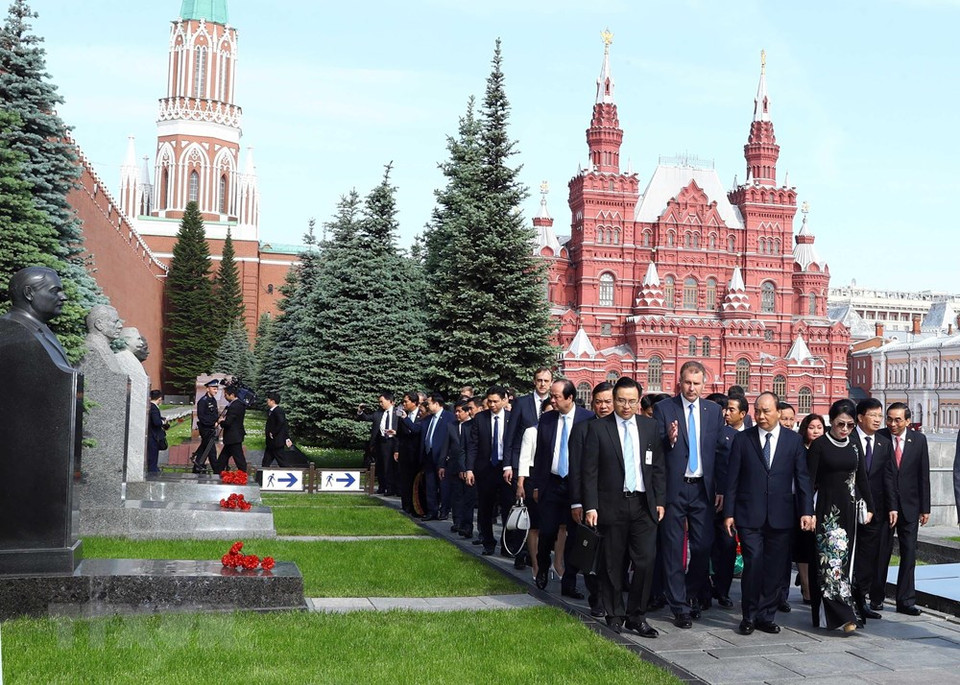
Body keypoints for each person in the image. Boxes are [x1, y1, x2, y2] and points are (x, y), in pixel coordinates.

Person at [724, 392, 814, 635]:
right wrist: (729, 513)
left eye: (766, 411)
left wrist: (807, 510)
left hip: (781, 515)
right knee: (753, 563)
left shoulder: (792, 441)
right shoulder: (743, 440)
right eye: (758, 411)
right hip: (749, 514)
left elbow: (802, 478)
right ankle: (749, 615)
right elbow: (732, 479)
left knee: (774, 568)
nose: (761, 416)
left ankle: (766, 615)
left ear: (777, 411)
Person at [582, 376, 665, 637]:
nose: (626, 406)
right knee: (612, 563)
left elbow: (659, 468)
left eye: (631, 401)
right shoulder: (598, 429)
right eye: (621, 400)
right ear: (614, 399)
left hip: (643, 505)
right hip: (611, 505)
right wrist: (591, 506)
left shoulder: (650, 427)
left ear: (638, 401)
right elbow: (589, 471)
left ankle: (636, 616)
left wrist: (660, 500)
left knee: (646, 561)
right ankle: (614, 614)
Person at [653, 360, 727, 628]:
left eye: (696, 383)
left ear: (704, 384)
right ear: (679, 382)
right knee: (673, 549)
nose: (692, 388)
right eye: (687, 382)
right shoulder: (664, 408)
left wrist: (720, 488)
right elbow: (655, 449)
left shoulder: (713, 411)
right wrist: (668, 439)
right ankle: (679, 606)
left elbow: (720, 452)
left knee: (703, 546)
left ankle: (690, 592)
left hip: (702, 490)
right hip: (674, 488)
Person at [808, 399, 874, 632]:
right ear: (831, 421)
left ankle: (836, 615)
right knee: (829, 564)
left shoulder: (854, 446)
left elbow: (862, 479)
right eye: (839, 424)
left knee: (845, 564)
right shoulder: (820, 446)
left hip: (848, 510)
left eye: (849, 425)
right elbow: (809, 480)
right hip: (826, 512)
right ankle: (843, 616)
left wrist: (870, 506)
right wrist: (808, 511)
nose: (844, 429)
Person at [530, 379, 594, 596]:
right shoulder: (547, 419)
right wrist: (538, 485)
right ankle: (542, 566)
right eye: (552, 396)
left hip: (576, 487)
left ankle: (569, 583)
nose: (552, 400)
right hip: (552, 483)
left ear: (570, 398)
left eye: (557, 396)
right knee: (547, 531)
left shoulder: (587, 419)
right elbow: (541, 456)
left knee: (574, 536)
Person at [877, 402, 930, 615]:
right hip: (884, 506)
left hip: (910, 505)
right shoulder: (879, 437)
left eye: (898, 419)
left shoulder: (918, 440)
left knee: (909, 554)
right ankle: (876, 598)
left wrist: (925, 508)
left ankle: (906, 601)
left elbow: (923, 475)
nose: (892, 423)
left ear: (908, 421)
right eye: (889, 418)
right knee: (882, 553)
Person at [569, 381, 614, 616]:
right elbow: (575, 468)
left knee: (614, 554)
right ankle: (596, 598)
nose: (604, 406)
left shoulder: (623, 428)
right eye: (599, 402)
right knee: (592, 551)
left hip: (618, 503)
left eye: (608, 401)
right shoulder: (582, 429)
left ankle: (611, 598)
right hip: (590, 503)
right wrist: (577, 502)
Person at [852, 398, 898, 620]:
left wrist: (892, 507)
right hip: (850, 508)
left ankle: (861, 600)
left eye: (880, 415)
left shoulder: (883, 443)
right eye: (873, 415)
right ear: (860, 417)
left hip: (876, 510)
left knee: (868, 558)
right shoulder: (848, 440)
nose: (879, 419)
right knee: (850, 556)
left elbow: (889, 477)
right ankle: (847, 600)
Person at [466, 386, 513, 556]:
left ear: (504, 400)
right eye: (489, 401)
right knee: (485, 508)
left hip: (506, 469)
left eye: (495, 401)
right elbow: (473, 445)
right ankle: (488, 542)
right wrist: (469, 469)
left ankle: (507, 544)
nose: (492, 405)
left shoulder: (511, 418)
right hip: (485, 469)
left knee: (508, 507)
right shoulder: (480, 418)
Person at [516, 397, 554, 576]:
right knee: (535, 524)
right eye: (547, 410)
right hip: (533, 478)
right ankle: (535, 563)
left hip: (553, 479)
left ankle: (555, 561)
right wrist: (521, 483)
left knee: (556, 525)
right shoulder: (531, 431)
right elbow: (524, 458)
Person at [794, 413, 826, 605]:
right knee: (804, 547)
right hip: (803, 503)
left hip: (823, 502)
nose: (816, 431)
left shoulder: (828, 449)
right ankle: (806, 587)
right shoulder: (799, 449)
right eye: (812, 427)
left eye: (819, 427)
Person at [419, 393, 461, 521]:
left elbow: (452, 438)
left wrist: (447, 455)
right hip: (429, 455)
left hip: (443, 457)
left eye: (429, 403)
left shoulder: (449, 417)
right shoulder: (428, 418)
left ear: (437, 404)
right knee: (430, 485)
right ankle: (432, 511)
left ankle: (444, 510)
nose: (427, 406)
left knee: (444, 486)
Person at [357, 392, 400, 495]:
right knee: (380, 465)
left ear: (390, 401)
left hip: (392, 442)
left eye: (382, 401)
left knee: (389, 466)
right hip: (380, 442)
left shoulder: (397, 413)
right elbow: (366, 418)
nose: (380, 404)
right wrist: (360, 411)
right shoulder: (378, 413)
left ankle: (391, 488)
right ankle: (382, 487)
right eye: (379, 402)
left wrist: (397, 448)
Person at [452, 398, 478, 538]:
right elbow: (463, 449)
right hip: (470, 468)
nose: (469, 411)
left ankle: (483, 533)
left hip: (485, 468)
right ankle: (466, 526)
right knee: (468, 499)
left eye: (471, 408)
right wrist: (464, 468)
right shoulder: (467, 426)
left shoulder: (485, 423)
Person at [395, 392, 423, 514]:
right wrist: (396, 450)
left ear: (414, 402)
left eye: (406, 401)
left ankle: (415, 506)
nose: (404, 404)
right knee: (404, 480)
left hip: (416, 454)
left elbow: (416, 430)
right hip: (405, 452)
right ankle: (405, 505)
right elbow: (399, 435)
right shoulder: (402, 416)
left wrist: (405, 418)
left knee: (414, 482)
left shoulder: (421, 415)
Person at [214, 384, 247, 473]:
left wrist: (221, 421)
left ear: (232, 395)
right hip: (232, 437)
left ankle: (243, 474)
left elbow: (228, 422)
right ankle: (217, 472)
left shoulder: (235, 406)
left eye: (226, 394)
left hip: (233, 436)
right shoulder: (237, 404)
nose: (225, 396)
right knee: (223, 458)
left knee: (239, 458)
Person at [192, 379, 221, 472]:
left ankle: (197, 467)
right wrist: (213, 423)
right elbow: (202, 417)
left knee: (204, 447)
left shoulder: (213, 400)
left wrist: (217, 421)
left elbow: (215, 414)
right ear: (208, 389)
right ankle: (217, 471)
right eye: (213, 389)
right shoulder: (203, 401)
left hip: (212, 429)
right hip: (205, 429)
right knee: (211, 450)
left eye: (216, 389)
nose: (215, 391)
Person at [263, 391, 293, 467]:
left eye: (268, 400)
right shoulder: (271, 411)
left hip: (276, 442)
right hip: (271, 443)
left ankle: (289, 475)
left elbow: (281, 423)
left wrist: (273, 432)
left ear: (272, 401)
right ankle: (260, 477)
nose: (267, 401)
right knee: (266, 462)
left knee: (282, 462)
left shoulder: (278, 411)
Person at [146, 389, 167, 473]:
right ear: (159, 399)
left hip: (151, 435)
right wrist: (163, 422)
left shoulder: (150, 406)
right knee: (153, 456)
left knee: (152, 456)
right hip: (154, 436)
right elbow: (156, 422)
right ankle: (153, 472)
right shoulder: (154, 408)